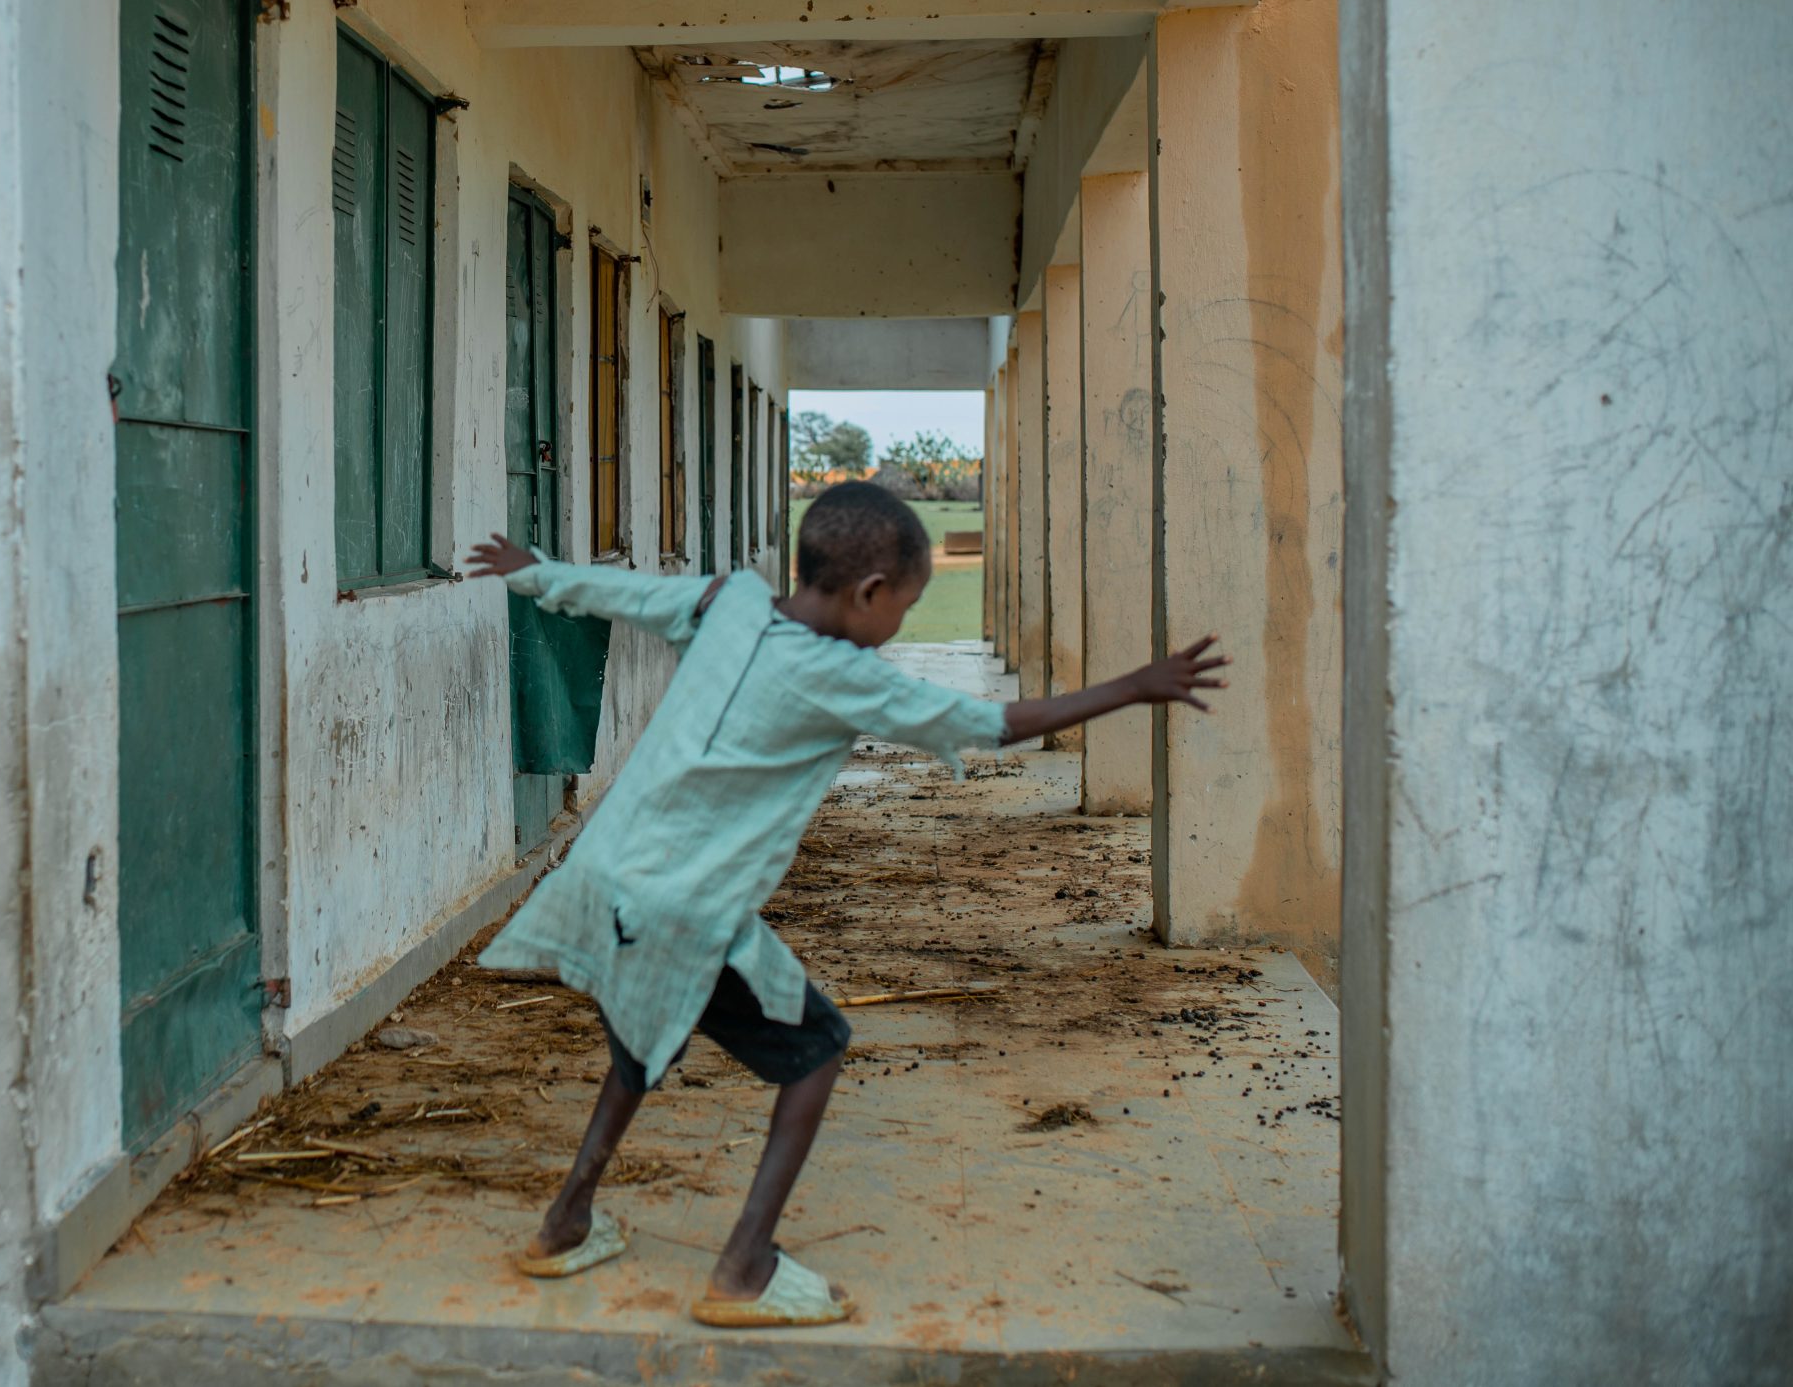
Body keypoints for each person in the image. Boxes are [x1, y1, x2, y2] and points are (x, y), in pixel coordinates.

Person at [464, 481, 1227, 1327]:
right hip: (682, 905)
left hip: (603, 876)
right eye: (904, 607)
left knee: (646, 1041)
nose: (899, 625)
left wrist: (534, 572)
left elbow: (630, 594)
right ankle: (745, 1265)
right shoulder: (843, 677)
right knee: (818, 1048)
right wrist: (1136, 686)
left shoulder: (731, 602)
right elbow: (992, 721)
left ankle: (567, 1222)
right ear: (869, 593)